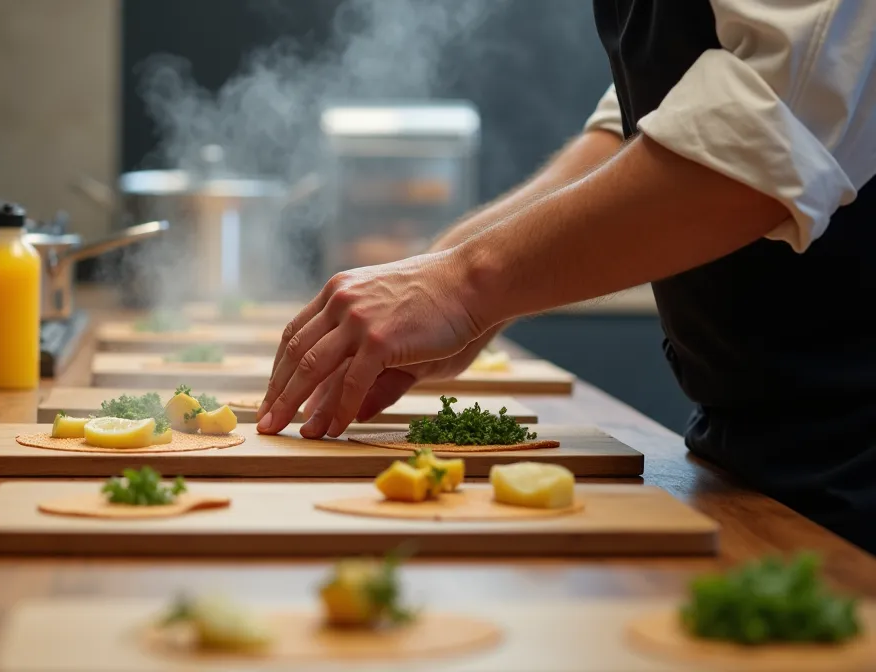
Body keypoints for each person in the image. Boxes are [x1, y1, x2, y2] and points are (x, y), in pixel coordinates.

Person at [256, 0, 876, 554]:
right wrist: (441, 269)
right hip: (750, 449)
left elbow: (762, 138)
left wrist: (465, 283)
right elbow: (638, 129)